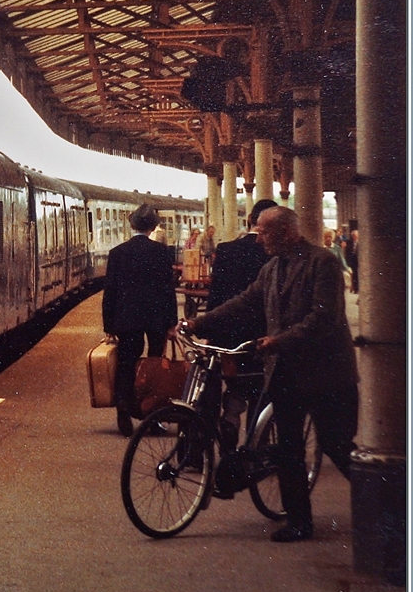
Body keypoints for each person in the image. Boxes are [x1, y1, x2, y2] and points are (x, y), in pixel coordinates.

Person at [184, 206, 357, 542]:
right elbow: (244, 302)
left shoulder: (322, 263)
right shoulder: (272, 268)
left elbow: (324, 317)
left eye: (264, 232)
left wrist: (279, 340)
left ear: (287, 232)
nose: (258, 238)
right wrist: (199, 323)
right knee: (289, 448)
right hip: (286, 372)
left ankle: (390, 505)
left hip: (326, 375)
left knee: (337, 446)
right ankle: (299, 522)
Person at [204, 199, 278, 449]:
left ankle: (231, 419)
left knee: (234, 382)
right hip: (263, 334)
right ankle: (255, 446)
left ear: (249, 221)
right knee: (259, 387)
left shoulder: (226, 250)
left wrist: (209, 329)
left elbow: (216, 295)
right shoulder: (274, 253)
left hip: (229, 333)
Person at [102, 203, 178, 437]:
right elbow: (168, 290)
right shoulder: (162, 252)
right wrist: (171, 323)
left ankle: (123, 408)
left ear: (132, 225)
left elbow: (110, 291)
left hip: (127, 317)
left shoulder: (117, 253)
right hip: (156, 318)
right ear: (153, 227)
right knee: (154, 363)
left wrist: (109, 325)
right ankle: (152, 414)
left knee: (126, 363)